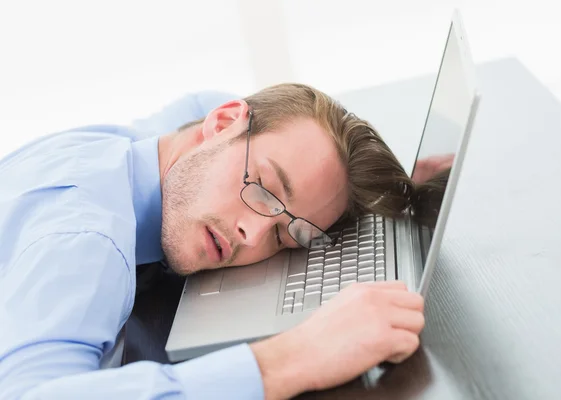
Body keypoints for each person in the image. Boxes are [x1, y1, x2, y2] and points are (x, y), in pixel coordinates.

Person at [0, 84, 426, 399]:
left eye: (284, 235)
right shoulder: (88, 241)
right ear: (221, 125)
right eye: (263, 189)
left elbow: (202, 103)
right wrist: (294, 356)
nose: (254, 234)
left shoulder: (129, 149)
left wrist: (379, 190)